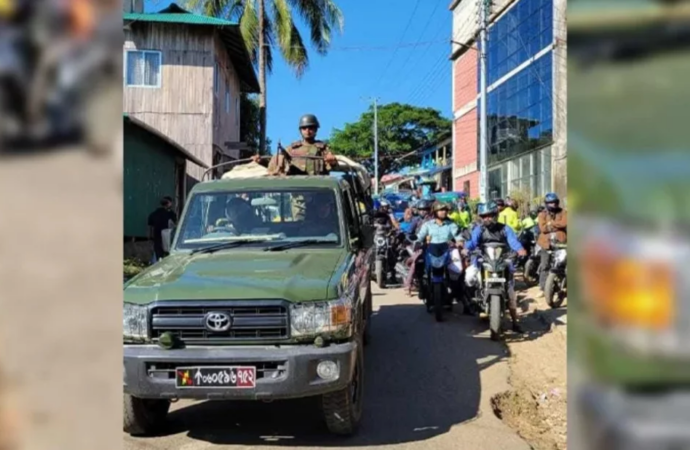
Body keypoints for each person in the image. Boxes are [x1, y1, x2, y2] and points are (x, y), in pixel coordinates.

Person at [463, 202, 527, 333]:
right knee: (469, 277)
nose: (487, 218)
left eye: (490, 215)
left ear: (495, 215)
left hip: (502, 261)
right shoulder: (479, 229)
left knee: (511, 292)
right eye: (484, 216)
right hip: (482, 260)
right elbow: (473, 242)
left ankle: (515, 322)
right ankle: (471, 303)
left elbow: (513, 241)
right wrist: (466, 248)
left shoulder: (505, 228)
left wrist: (520, 249)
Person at [537, 193, 567, 291]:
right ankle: (543, 287)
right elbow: (543, 228)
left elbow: (565, 223)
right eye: (550, 203)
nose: (552, 205)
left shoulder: (564, 212)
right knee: (545, 265)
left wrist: (551, 224)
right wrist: (557, 225)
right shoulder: (542, 214)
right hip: (546, 243)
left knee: (562, 264)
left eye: (554, 202)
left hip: (561, 243)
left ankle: (562, 285)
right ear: (546, 203)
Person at [148, 196, 177, 261]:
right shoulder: (171, 214)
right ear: (169, 203)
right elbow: (174, 225)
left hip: (157, 238)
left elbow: (150, 226)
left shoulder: (154, 213)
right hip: (167, 238)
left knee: (158, 256)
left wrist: (150, 237)